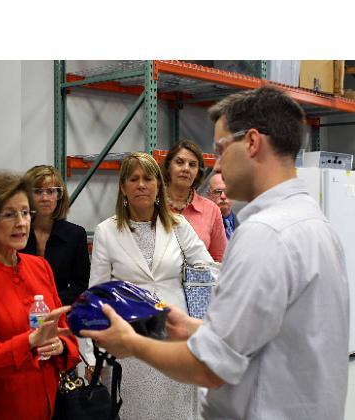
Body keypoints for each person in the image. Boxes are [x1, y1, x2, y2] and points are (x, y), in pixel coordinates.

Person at [82, 86, 350, 419]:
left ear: (252, 142)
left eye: (220, 149)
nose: (216, 165)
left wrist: (131, 342)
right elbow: (261, 337)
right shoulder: (313, 222)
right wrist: (188, 327)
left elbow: (209, 366)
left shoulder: (264, 235)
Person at [88, 152, 216, 420]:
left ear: (159, 185)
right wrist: (90, 356)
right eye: (133, 179)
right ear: (123, 188)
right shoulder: (106, 232)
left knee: (177, 412)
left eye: (148, 178)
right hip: (129, 345)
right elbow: (96, 296)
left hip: (175, 339)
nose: (141, 185)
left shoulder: (179, 226)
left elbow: (207, 272)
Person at [0, 170, 80, 420]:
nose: (21, 222)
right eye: (9, 214)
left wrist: (60, 346)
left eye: (25, 213)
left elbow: (66, 336)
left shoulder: (40, 267)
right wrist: (31, 341)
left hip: (50, 405)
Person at [21, 165, 89, 305]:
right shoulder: (16, 233)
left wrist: (50, 302)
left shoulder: (75, 235)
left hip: (60, 310)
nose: (45, 198)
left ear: (59, 196)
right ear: (27, 196)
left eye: (51, 191)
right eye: (38, 191)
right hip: (19, 308)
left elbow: (81, 287)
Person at [163, 139, 226, 262]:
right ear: (168, 167)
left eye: (192, 165)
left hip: (200, 281)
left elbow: (218, 259)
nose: (186, 169)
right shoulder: (151, 205)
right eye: (179, 162)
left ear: (197, 172)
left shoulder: (211, 210)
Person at [207, 173, 239, 239]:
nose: (223, 196)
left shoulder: (244, 222)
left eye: (227, 191)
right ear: (209, 195)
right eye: (218, 192)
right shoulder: (200, 225)